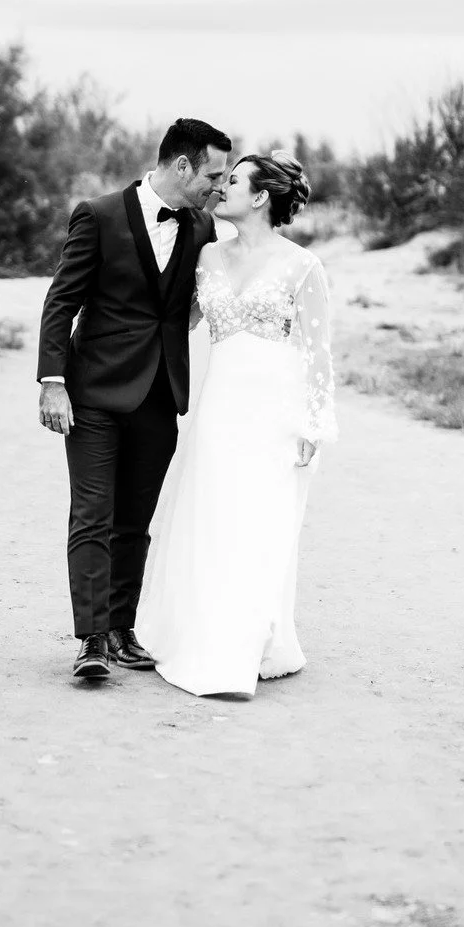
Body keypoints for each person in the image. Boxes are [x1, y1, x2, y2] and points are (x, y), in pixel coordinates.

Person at [36, 118, 232, 682]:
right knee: (92, 515)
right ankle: (92, 638)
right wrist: (52, 382)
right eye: (213, 175)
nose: (218, 187)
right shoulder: (98, 215)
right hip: (93, 393)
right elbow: (62, 301)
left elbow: (198, 300)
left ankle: (122, 629)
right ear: (182, 166)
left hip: (160, 394)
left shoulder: (203, 228)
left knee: (134, 521)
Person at [135, 151, 337, 698]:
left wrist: (313, 425)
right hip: (220, 408)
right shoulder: (206, 257)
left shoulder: (302, 266)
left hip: (275, 413)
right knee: (213, 517)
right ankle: (202, 635)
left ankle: (244, 645)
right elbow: (178, 321)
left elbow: (318, 352)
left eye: (234, 180)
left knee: (259, 526)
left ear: (262, 196)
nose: (222, 187)